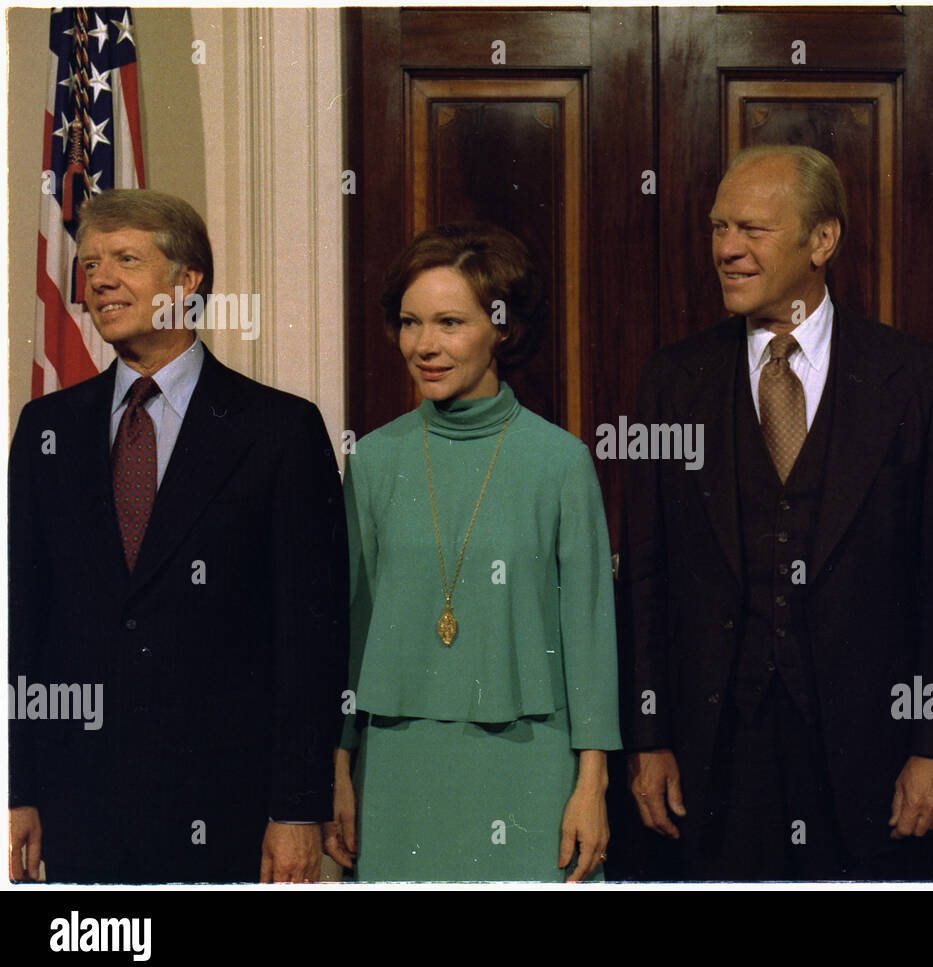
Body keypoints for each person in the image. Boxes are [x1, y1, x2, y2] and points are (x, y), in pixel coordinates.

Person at [618, 144, 933, 880]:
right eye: (719, 228)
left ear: (822, 241)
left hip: (875, 765)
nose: (726, 249)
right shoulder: (673, 380)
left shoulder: (917, 379)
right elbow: (645, 578)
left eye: (751, 229)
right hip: (710, 767)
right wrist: (647, 737)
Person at [8, 189, 348, 884]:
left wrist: (297, 809)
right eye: (92, 261)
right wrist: (18, 787)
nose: (99, 278)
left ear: (187, 281)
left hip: (230, 811)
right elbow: (20, 623)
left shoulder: (279, 430)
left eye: (126, 259)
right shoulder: (46, 428)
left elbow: (311, 639)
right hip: (79, 810)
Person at [325, 221, 620, 882]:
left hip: (532, 763)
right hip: (398, 767)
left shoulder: (561, 462)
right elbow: (350, 627)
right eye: (410, 322)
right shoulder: (374, 460)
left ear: (503, 329)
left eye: (450, 323)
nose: (424, 345)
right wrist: (339, 769)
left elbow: (590, 638)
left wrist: (591, 784)